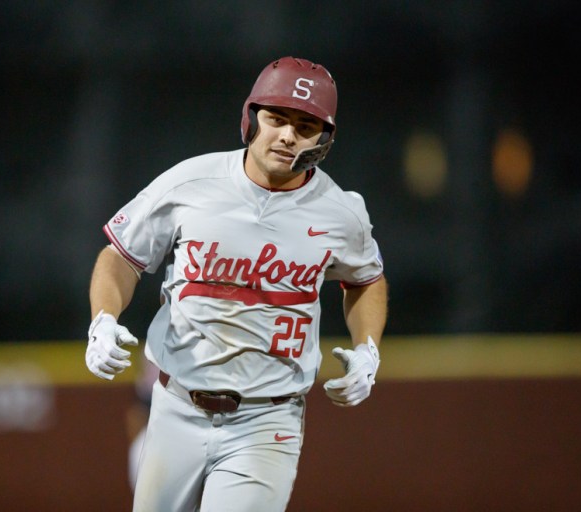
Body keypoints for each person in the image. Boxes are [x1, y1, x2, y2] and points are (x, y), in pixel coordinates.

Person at [86, 56, 388, 512]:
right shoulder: (192, 181)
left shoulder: (340, 213)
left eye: (306, 126)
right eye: (277, 118)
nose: (288, 135)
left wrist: (368, 348)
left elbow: (366, 279)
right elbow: (121, 257)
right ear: (251, 118)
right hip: (175, 407)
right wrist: (103, 319)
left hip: (268, 418)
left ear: (324, 140)